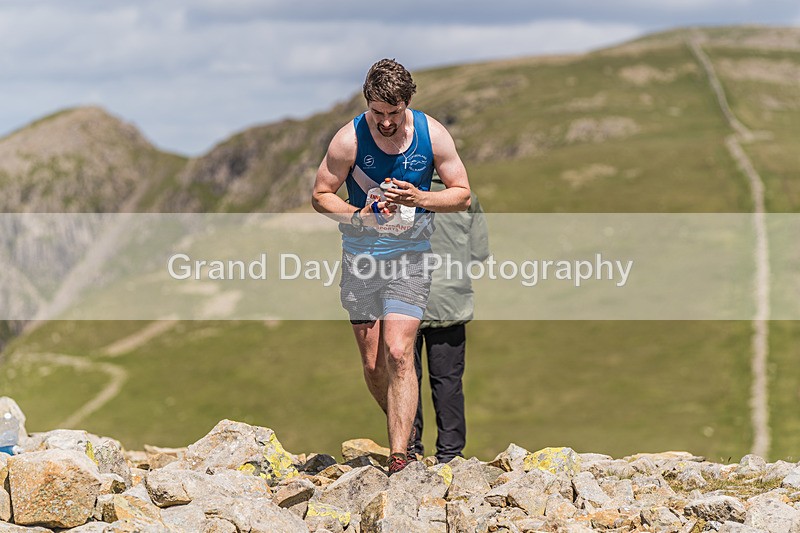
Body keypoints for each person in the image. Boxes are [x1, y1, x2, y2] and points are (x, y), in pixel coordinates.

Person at [311, 59, 471, 475]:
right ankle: (402, 424)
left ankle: (402, 454)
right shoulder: (348, 139)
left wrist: (419, 199)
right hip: (361, 260)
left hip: (410, 258)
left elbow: (462, 195)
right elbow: (321, 195)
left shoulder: (432, 135)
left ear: (408, 104)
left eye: (393, 114)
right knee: (374, 364)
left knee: (400, 352)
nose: (385, 122)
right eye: (378, 113)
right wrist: (358, 217)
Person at [411, 177, 489, 463]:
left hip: (404, 300)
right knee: (448, 382)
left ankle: (409, 449)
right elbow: (479, 253)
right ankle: (451, 455)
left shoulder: (400, 193)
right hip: (451, 301)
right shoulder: (467, 199)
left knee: (405, 380)